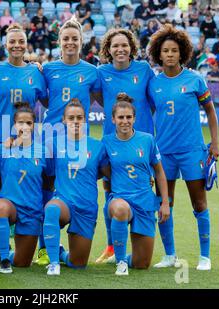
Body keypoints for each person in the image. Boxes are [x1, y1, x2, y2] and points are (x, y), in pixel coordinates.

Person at [147, 24, 219, 271]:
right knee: (164, 204)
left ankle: (205, 257)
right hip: (163, 153)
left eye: (174, 50)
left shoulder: (194, 79)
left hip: (192, 151)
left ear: (182, 53)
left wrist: (215, 143)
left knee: (199, 204)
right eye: (165, 50)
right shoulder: (153, 84)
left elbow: (210, 110)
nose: (169, 54)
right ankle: (169, 256)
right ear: (159, 53)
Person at [0, 23, 47, 263]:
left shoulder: (36, 73)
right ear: (5, 44)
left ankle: (43, 247)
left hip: (27, 146)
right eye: (12, 41)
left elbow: (50, 103)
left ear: (26, 45)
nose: (17, 45)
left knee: (30, 191)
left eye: (21, 41)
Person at [38, 17, 100, 266]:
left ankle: (72, 239)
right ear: (59, 42)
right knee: (45, 189)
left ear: (81, 42)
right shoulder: (48, 69)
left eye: (75, 38)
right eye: (66, 39)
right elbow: (44, 99)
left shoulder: (91, 72)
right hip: (51, 138)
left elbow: (97, 97)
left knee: (76, 185)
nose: (70, 42)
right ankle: (44, 249)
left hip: (77, 141)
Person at [95, 28, 155, 264]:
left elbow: (152, 101)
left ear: (132, 48)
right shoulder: (101, 73)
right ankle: (112, 248)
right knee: (110, 194)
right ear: (108, 50)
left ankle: (164, 252)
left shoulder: (144, 70)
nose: (120, 49)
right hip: (112, 146)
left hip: (140, 146)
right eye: (115, 46)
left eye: (125, 45)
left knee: (148, 194)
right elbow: (102, 99)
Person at [102, 93, 170, 276]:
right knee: (121, 209)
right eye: (121, 117)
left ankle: (122, 255)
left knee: (142, 263)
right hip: (119, 199)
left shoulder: (147, 139)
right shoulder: (106, 142)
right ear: (113, 119)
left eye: (128, 117)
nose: (125, 121)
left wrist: (164, 202)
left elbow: (159, 172)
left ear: (135, 118)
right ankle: (121, 261)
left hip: (145, 202)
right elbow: (101, 170)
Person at [43, 99, 109, 276]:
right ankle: (54, 263)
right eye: (71, 118)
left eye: (79, 117)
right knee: (52, 209)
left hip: (86, 208)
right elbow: (47, 174)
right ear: (64, 120)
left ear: (85, 119)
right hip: (64, 201)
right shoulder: (54, 143)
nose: (75, 121)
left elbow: (106, 172)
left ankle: (61, 254)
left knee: (77, 264)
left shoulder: (97, 145)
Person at [0, 102, 54, 273]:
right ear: (14, 125)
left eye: (29, 123)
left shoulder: (42, 151)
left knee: (23, 262)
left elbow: (48, 182)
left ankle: (7, 254)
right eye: (20, 122)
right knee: (1, 207)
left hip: (32, 210)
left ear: (34, 126)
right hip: (10, 205)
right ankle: (4, 259)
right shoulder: (3, 149)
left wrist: (45, 210)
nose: (24, 126)